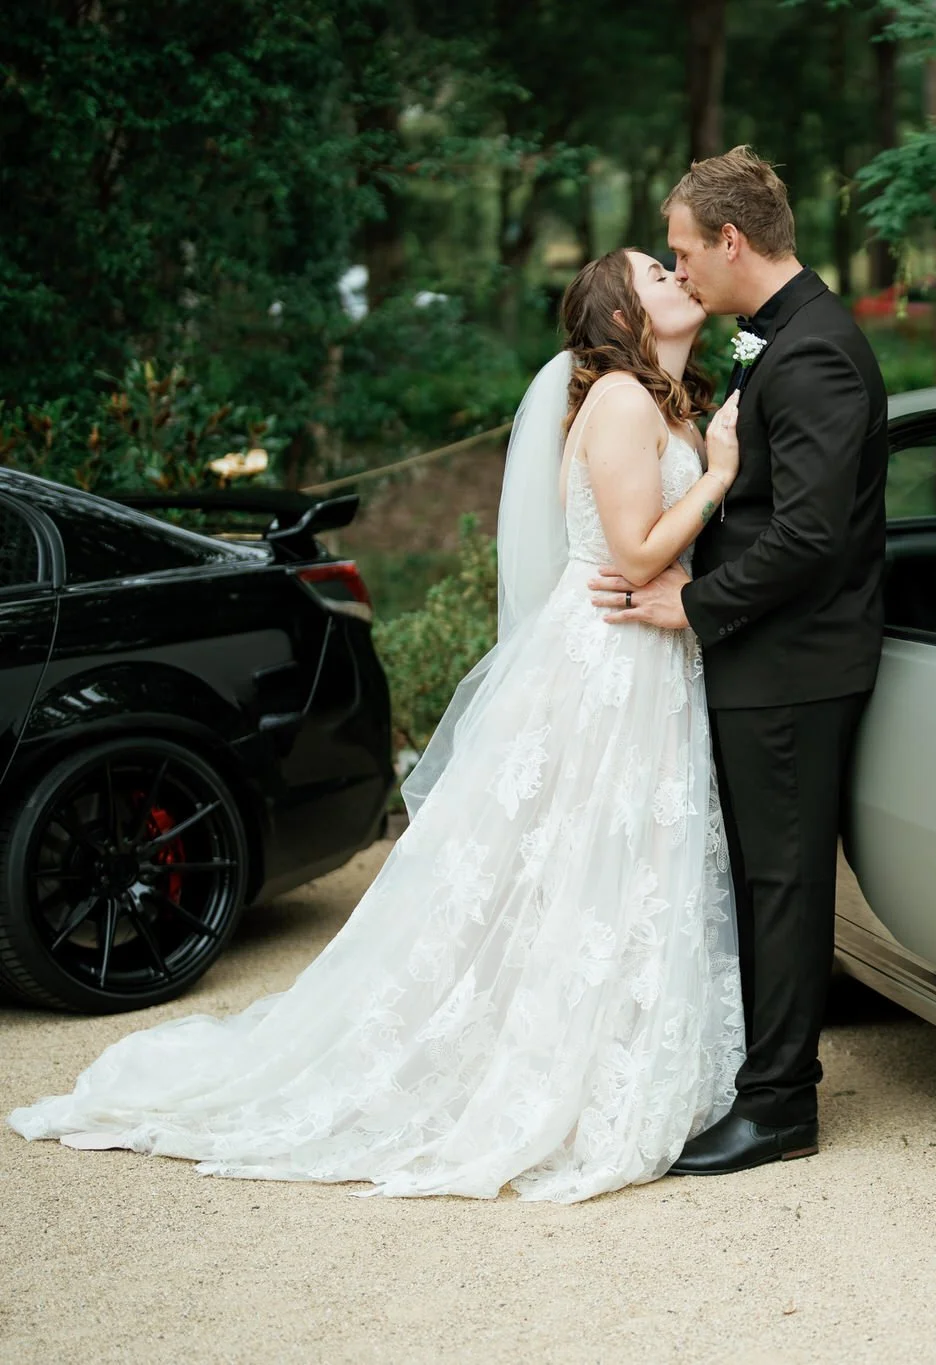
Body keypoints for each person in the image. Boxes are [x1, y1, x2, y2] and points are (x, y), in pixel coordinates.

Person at [10, 249, 749, 1203]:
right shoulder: (619, 400)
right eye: (656, 272)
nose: (677, 276)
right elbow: (638, 546)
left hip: (647, 655)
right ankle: (532, 1063)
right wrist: (721, 472)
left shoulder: (669, 402)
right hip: (605, 657)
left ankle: (612, 1045)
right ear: (618, 312)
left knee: (614, 861)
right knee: (563, 859)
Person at [589, 146, 888, 1175]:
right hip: (765, 655)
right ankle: (759, 1079)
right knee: (763, 877)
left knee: (782, 881)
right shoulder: (779, 338)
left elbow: (810, 537)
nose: (680, 273)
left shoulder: (812, 354)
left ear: (729, 238)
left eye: (683, 251)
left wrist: (694, 603)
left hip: (795, 663)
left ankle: (778, 1108)